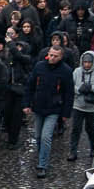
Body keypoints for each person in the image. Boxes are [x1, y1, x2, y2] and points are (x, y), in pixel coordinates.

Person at [24, 44, 75, 177]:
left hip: (54, 108)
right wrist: (27, 103)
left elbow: (69, 93)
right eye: (50, 55)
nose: (51, 58)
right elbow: (30, 85)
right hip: (38, 106)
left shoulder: (66, 71)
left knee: (46, 136)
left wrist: (65, 113)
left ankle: (42, 164)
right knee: (38, 136)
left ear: (61, 57)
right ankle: (42, 156)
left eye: (55, 56)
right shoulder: (39, 66)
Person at [67, 51, 94, 167]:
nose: (86, 65)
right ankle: (73, 151)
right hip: (78, 106)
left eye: (89, 62)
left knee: (90, 129)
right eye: (85, 62)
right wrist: (80, 89)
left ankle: (93, 147)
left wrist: (91, 88)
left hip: (93, 108)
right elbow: (70, 85)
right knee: (76, 129)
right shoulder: (76, 72)